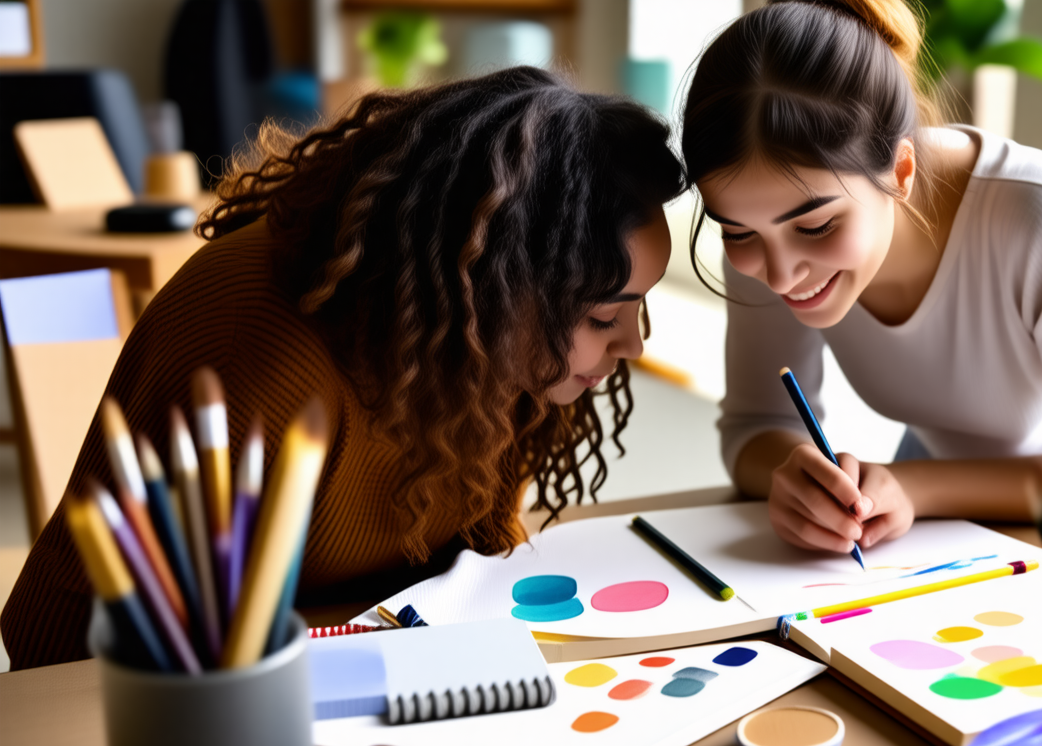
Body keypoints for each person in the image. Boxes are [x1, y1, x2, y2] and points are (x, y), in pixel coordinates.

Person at [1, 67, 684, 669]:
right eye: (602, 317)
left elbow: (473, 556)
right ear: (490, 283)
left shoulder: (482, 345)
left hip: (367, 657)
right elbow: (106, 646)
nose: (633, 346)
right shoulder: (264, 356)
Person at [681, 0, 1042, 558]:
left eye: (816, 226)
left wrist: (919, 487)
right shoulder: (767, 231)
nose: (780, 273)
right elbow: (756, 424)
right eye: (736, 232)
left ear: (900, 173)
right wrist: (793, 477)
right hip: (945, 514)